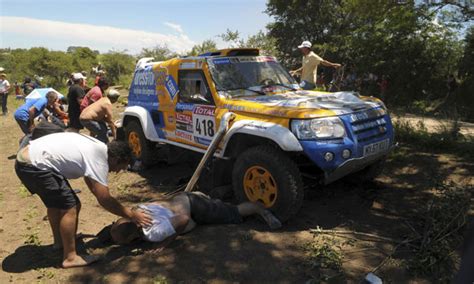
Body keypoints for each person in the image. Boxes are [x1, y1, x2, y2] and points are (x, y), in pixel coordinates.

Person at [14, 133, 152, 268]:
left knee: (56, 204)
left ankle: (60, 243)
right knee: (70, 207)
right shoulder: (99, 160)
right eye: (121, 167)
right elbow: (105, 199)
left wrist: (97, 193)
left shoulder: (99, 147)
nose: (117, 171)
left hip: (27, 160)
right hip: (35, 165)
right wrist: (132, 215)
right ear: (116, 159)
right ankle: (70, 258)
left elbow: (89, 178)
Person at [110, 191, 282, 246]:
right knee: (216, 207)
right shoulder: (136, 211)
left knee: (234, 212)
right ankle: (204, 197)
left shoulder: (152, 234)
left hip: (193, 208)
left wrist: (166, 242)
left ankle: (259, 209)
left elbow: (183, 219)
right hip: (181, 199)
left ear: (132, 238)